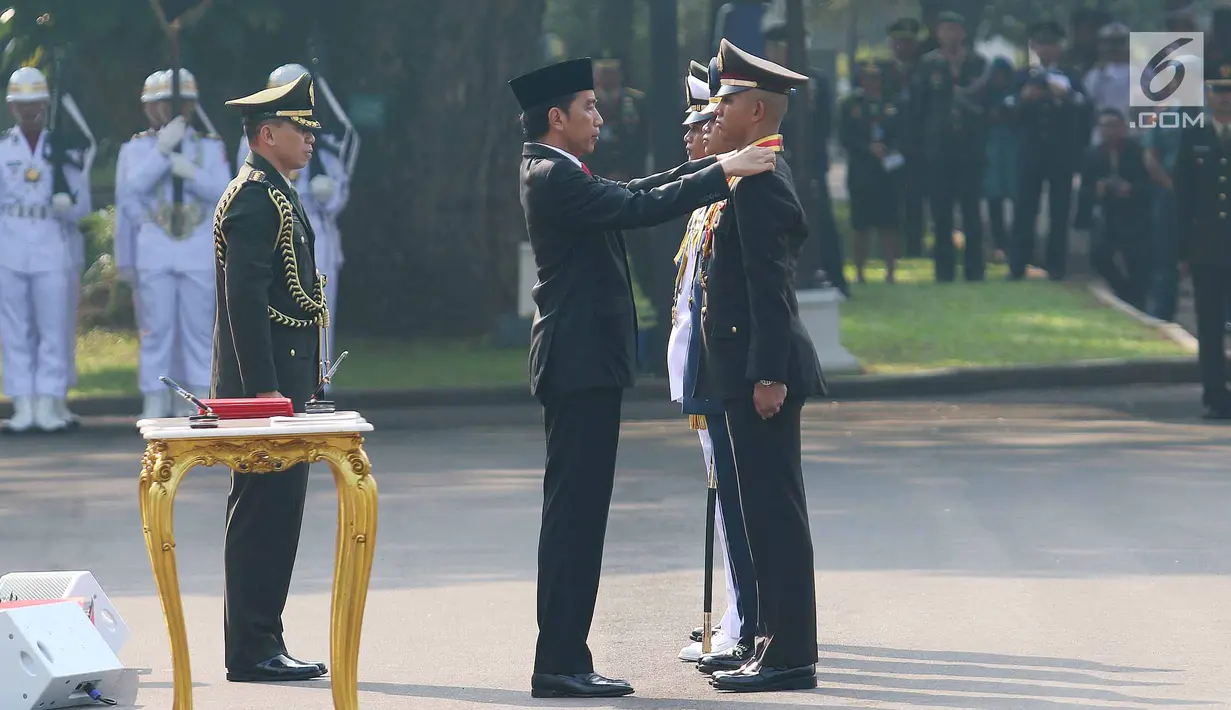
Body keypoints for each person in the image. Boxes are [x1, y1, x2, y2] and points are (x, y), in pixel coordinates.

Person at [507, 56, 776, 699]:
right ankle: (560, 663)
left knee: (580, 517)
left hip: (584, 364)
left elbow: (635, 191)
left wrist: (712, 169)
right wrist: (723, 171)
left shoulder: (562, 169)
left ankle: (567, 655)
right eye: (590, 109)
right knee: (574, 519)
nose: (599, 117)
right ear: (556, 118)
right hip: (577, 365)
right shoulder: (550, 173)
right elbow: (635, 206)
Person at [698, 37, 826, 693]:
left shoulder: (760, 181)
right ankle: (764, 642)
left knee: (773, 517)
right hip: (748, 369)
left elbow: (769, 284)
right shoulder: (750, 173)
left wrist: (768, 371)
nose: (713, 117)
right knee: (758, 515)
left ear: (753, 110)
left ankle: (787, 655)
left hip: (761, 374)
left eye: (723, 106)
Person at [212, 70, 329, 682]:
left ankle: (264, 640)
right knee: (263, 514)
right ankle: (254, 648)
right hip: (264, 393)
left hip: (285, 386)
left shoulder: (273, 191)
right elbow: (245, 302)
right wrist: (262, 389)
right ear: (266, 133)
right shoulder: (256, 198)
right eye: (298, 129)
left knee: (279, 514)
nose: (310, 139)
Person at [670, 59, 759, 670]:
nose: (694, 135)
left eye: (704, 122)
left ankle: (742, 622)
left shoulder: (733, 195)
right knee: (728, 506)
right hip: (702, 379)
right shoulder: (708, 197)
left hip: (722, 376)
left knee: (738, 508)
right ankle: (737, 617)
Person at [122, 68, 229, 419]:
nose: (168, 111)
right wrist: (162, 155)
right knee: (156, 329)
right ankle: (155, 398)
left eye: (178, 104)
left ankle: (200, 396)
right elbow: (131, 191)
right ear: (149, 109)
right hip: (156, 247)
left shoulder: (210, 147)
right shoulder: (137, 149)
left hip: (196, 247)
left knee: (199, 330)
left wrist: (191, 172)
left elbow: (224, 194)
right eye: (162, 105)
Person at [238, 63, 351, 358]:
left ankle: (321, 386)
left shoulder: (323, 142)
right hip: (277, 230)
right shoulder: (259, 136)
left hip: (318, 232)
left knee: (322, 317)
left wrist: (327, 194)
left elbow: (338, 199)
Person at [0, 67, 91, 434]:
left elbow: (83, 205)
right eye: (22, 104)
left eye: (35, 103)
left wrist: (68, 204)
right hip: (11, 243)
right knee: (15, 328)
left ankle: (51, 402)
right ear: (11, 107)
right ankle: (23, 404)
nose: (29, 110)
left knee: (54, 327)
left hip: (53, 242)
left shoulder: (63, 146)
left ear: (46, 104)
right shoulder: (4, 149)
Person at [1007, 20, 1089, 282]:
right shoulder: (1023, 76)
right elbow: (1007, 113)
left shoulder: (1071, 75)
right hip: (1030, 152)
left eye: (1052, 44)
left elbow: (1085, 108)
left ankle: (1056, 266)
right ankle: (1018, 264)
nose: (1047, 49)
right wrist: (1023, 99)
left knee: (1059, 211)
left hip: (1060, 153)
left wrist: (1064, 96)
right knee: (1024, 210)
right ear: (1034, 46)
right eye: (1042, 43)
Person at [911, 11, 988, 282]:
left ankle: (975, 269)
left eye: (956, 29)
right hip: (939, 147)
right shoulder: (928, 64)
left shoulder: (978, 63)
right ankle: (943, 270)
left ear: (963, 33)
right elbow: (918, 107)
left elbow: (987, 102)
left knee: (971, 210)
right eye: (946, 29)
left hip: (970, 146)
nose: (951, 34)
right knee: (941, 210)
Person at [1173, 61, 1231, 420]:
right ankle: (1215, 395)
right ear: (1208, 97)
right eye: (1218, 92)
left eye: (1229, 93)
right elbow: (1183, 200)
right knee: (1209, 325)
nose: (1224, 100)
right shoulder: (1194, 137)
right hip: (1206, 249)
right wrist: (1182, 251)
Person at [1075, 108, 1150, 310]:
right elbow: (1085, 189)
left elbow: (1150, 184)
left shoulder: (1137, 151)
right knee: (1099, 256)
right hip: (1107, 214)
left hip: (1135, 214)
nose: (1108, 131)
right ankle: (1125, 293)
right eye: (1104, 126)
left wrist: (1131, 189)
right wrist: (1097, 191)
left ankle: (1139, 300)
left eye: (1113, 126)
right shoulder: (1092, 154)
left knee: (1136, 261)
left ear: (1123, 127)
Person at [839, 60, 903, 283]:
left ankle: (891, 271)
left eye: (876, 77)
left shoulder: (893, 103)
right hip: (862, 171)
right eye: (867, 77)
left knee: (889, 224)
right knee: (860, 225)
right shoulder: (850, 104)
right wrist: (867, 148)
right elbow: (844, 137)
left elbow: (903, 132)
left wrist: (889, 149)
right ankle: (859, 272)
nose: (871, 81)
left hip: (887, 172)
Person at [885, 17, 927, 259]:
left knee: (916, 200)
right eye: (900, 41)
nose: (904, 47)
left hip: (917, 146)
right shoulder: (881, 70)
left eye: (909, 42)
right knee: (890, 200)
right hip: (891, 145)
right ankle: (891, 251)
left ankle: (915, 248)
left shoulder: (924, 69)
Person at [983, 57, 1018, 260]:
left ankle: (1016, 243)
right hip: (991, 148)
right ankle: (999, 244)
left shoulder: (1014, 93)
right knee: (993, 198)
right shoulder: (985, 94)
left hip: (1012, 148)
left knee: (1017, 197)